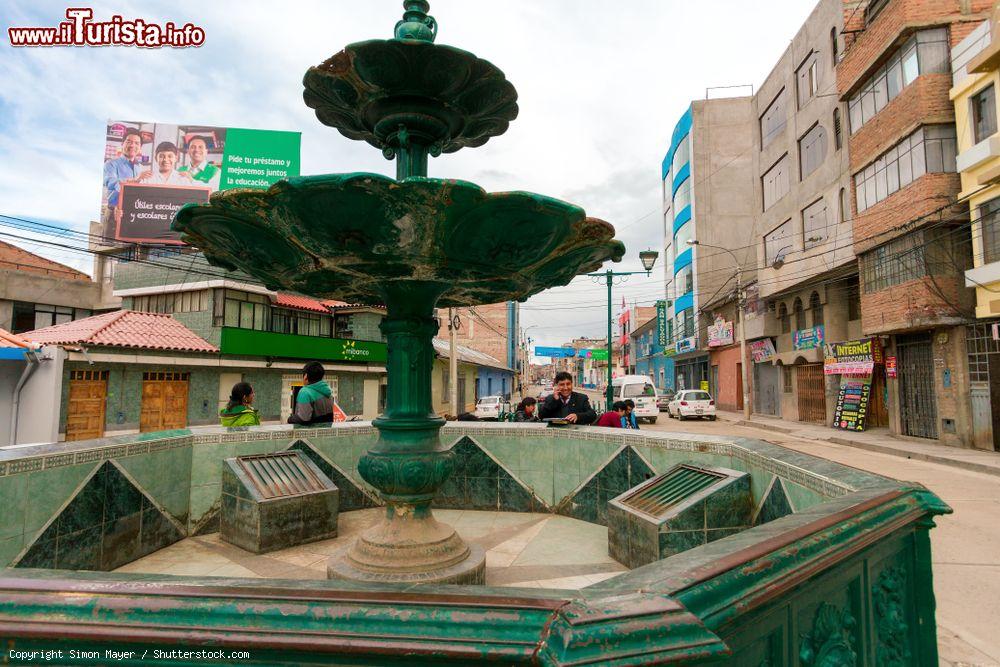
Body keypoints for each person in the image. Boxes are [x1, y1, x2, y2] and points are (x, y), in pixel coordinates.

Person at [103, 129, 143, 209]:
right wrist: (132, 180)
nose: (132, 145)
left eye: (136, 143)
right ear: (122, 144)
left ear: (140, 147)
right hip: (114, 210)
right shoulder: (110, 164)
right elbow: (111, 183)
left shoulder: (140, 167)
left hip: (134, 210)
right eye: (128, 142)